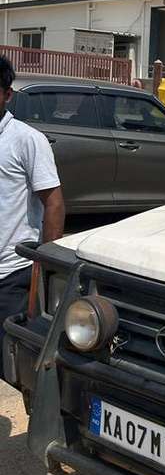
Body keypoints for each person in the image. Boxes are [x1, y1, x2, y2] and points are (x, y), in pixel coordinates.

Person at [0, 56, 65, 381]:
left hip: (11, 274)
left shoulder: (26, 140)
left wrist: (45, 267)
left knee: (11, 367)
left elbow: (53, 204)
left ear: (7, 94)